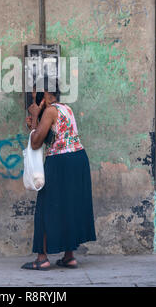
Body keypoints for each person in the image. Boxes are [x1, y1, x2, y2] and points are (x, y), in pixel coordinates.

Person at [21, 78, 96, 270]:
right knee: (68, 206)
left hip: (61, 161)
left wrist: (37, 115)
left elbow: (36, 142)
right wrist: (36, 122)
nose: (35, 98)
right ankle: (69, 256)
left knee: (45, 208)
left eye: (37, 95)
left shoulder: (50, 111)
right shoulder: (66, 109)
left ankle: (42, 258)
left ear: (45, 94)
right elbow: (50, 138)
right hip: (78, 159)